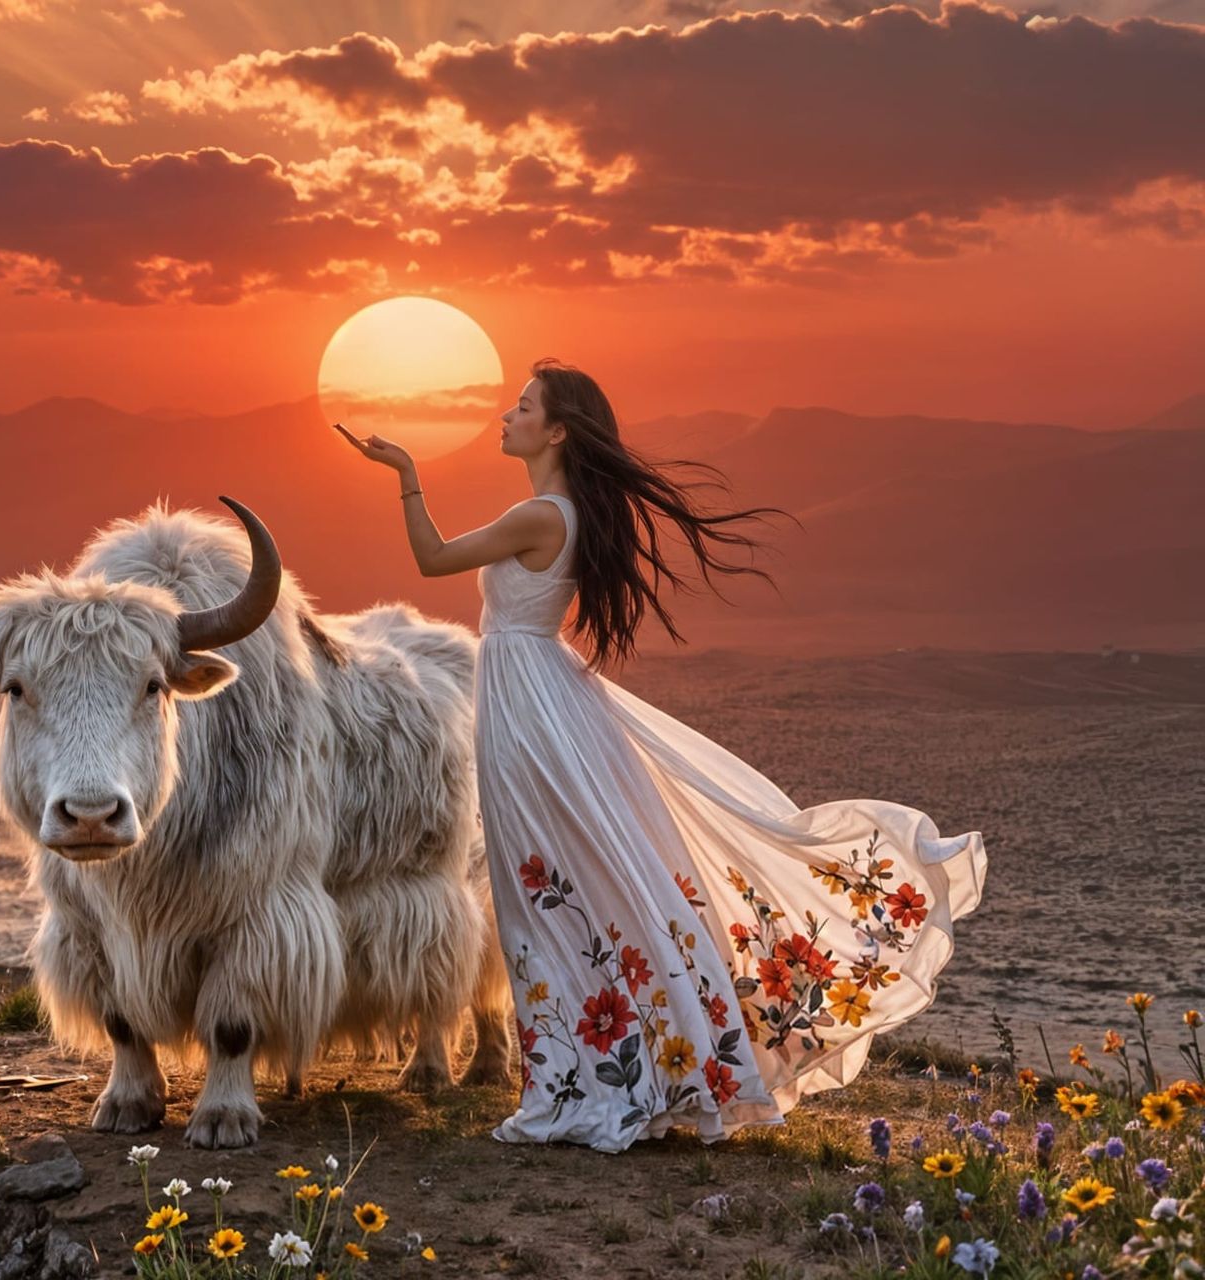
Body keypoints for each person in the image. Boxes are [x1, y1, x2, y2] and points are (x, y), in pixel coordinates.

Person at [334, 357, 986, 1152]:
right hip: (536, 693)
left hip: (528, 705)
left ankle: (581, 1083)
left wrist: (406, 474)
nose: (507, 415)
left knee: (539, 891)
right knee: (569, 884)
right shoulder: (567, 511)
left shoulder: (539, 514)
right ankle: (615, 1067)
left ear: (557, 431)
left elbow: (431, 559)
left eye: (524, 406)